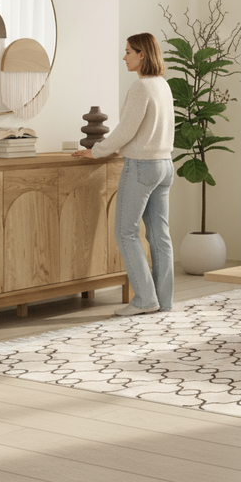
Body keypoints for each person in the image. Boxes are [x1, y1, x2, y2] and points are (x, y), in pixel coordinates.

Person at [73, 33, 175, 316]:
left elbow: (126, 129)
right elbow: (149, 129)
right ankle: (163, 301)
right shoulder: (163, 86)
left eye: (128, 51)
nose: (124, 56)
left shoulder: (141, 87)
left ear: (142, 55)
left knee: (125, 231)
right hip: (165, 165)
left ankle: (144, 299)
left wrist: (96, 151)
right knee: (159, 235)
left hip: (142, 166)